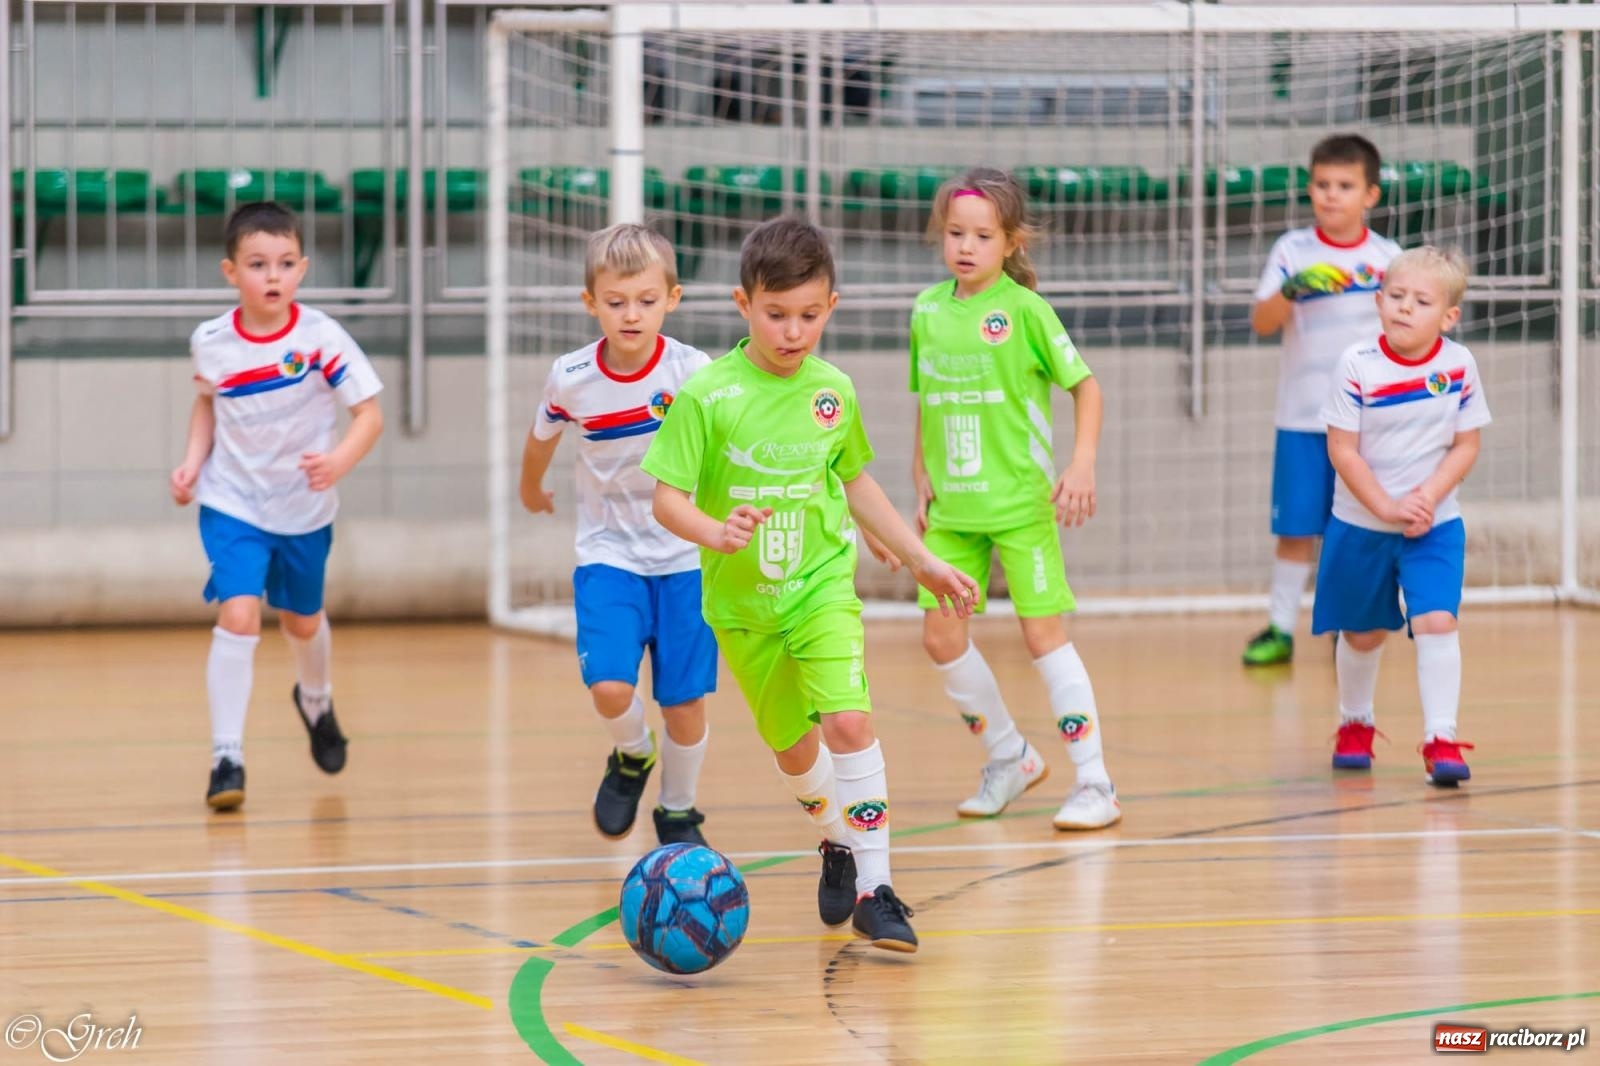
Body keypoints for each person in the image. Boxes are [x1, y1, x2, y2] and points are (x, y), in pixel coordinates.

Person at [641, 217, 980, 954]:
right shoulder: (708, 395)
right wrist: (714, 531)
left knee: (850, 723)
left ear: (831, 306)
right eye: (776, 315)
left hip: (821, 585)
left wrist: (919, 557)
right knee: (795, 752)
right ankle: (835, 841)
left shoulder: (834, 391)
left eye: (808, 315)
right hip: (740, 605)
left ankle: (877, 889)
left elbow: (853, 480)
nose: (793, 332)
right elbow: (666, 499)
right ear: (742, 304)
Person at [905, 166, 1119, 830]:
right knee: (940, 638)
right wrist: (919, 474)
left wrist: (1080, 465)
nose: (965, 246)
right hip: (952, 513)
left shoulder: (1026, 313)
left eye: (981, 235)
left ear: (1011, 241)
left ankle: (1095, 783)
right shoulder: (927, 310)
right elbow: (927, 400)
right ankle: (1009, 757)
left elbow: (1086, 387)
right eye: (954, 233)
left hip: (1020, 504)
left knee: (1042, 635)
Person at [170, 202, 384, 810]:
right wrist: (191, 464)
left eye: (286, 264)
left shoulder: (320, 337)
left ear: (302, 269)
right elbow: (207, 405)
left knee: (302, 622)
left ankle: (314, 698)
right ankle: (226, 759)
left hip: (303, 511)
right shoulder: (211, 342)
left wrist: (339, 460)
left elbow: (369, 414)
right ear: (230, 271)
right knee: (238, 615)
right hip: (232, 502)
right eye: (258, 264)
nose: (273, 276)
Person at [519, 223, 718, 847]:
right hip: (609, 555)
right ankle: (633, 754)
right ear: (590, 302)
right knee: (609, 686)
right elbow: (541, 437)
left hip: (687, 559)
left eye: (646, 300)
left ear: (673, 298)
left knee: (684, 704)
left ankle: (679, 810)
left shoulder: (694, 372)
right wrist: (532, 488)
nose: (631, 315)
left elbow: (727, 455)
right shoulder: (571, 375)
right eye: (616, 301)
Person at [1311, 246, 1488, 785]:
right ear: (1379, 300)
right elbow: (1342, 450)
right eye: (1395, 296)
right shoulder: (1356, 365)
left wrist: (1429, 497)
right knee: (1362, 635)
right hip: (1362, 524)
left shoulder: (1458, 365)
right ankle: (1355, 723)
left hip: (1433, 526)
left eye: (1420, 300)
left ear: (1449, 316)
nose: (1404, 307)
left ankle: (1441, 738)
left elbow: (1466, 444)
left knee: (1437, 619)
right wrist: (1388, 506)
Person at [1244, 134, 1403, 666]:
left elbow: (1409, 331)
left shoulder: (1389, 258)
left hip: (1367, 426)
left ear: (1371, 195)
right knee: (1295, 529)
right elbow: (1261, 322)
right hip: (1302, 416)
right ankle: (1280, 629)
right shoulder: (1292, 250)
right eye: (1321, 185)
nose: (1331, 195)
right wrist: (1290, 291)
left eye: (1344, 186)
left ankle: (1348, 621)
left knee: (1355, 529)